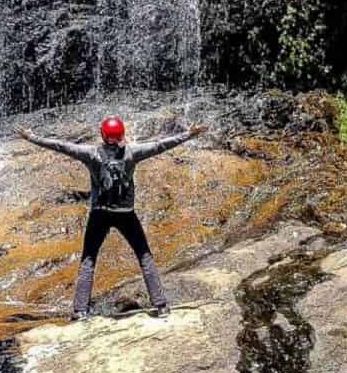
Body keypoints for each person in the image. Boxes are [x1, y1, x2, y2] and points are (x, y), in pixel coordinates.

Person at [17, 115, 206, 320]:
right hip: (126, 214)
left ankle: (80, 311)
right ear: (122, 135)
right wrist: (189, 134)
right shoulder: (132, 152)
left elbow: (62, 146)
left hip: (100, 213)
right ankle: (161, 306)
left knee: (88, 259)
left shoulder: (90, 153)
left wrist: (31, 137)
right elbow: (161, 145)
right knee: (144, 256)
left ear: (102, 135)